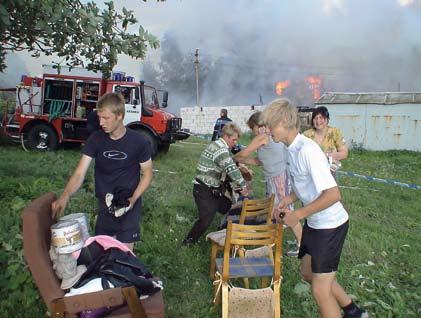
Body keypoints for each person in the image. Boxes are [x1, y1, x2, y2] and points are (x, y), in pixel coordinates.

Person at [261, 99, 367, 318]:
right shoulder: (290, 148)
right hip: (315, 223)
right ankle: (352, 310)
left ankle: (349, 312)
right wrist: (288, 198)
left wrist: (297, 214)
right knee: (308, 273)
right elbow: (304, 184)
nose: (268, 131)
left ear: (283, 122)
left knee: (320, 289)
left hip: (331, 225)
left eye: (270, 126)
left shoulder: (308, 150)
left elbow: (333, 194)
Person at [51, 93, 153, 251]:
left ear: (119, 115)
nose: (101, 122)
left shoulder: (139, 142)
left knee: (123, 253)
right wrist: (65, 196)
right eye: (99, 117)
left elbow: (147, 174)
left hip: (128, 203)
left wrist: (133, 199)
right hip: (105, 204)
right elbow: (79, 173)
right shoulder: (96, 139)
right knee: (103, 252)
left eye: (106, 118)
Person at [234, 111, 303, 257]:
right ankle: (271, 241)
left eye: (252, 129)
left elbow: (244, 153)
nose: (253, 133)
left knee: (284, 211)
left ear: (258, 126)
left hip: (279, 177)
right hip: (274, 177)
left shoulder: (263, 136)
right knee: (274, 211)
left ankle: (302, 244)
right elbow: (259, 161)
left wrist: (232, 158)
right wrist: (242, 161)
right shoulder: (267, 136)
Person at [184, 122, 249, 245]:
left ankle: (222, 235)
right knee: (205, 219)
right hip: (204, 189)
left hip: (212, 188)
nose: (235, 143)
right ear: (226, 136)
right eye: (234, 140)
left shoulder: (219, 145)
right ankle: (188, 242)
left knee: (228, 208)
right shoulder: (221, 150)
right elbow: (230, 168)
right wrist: (243, 185)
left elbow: (227, 164)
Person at [303, 106, 348, 175]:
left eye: (321, 118)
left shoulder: (335, 132)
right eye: (315, 118)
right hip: (310, 172)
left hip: (330, 172)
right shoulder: (306, 135)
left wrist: (327, 156)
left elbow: (344, 153)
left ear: (327, 119)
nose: (318, 121)